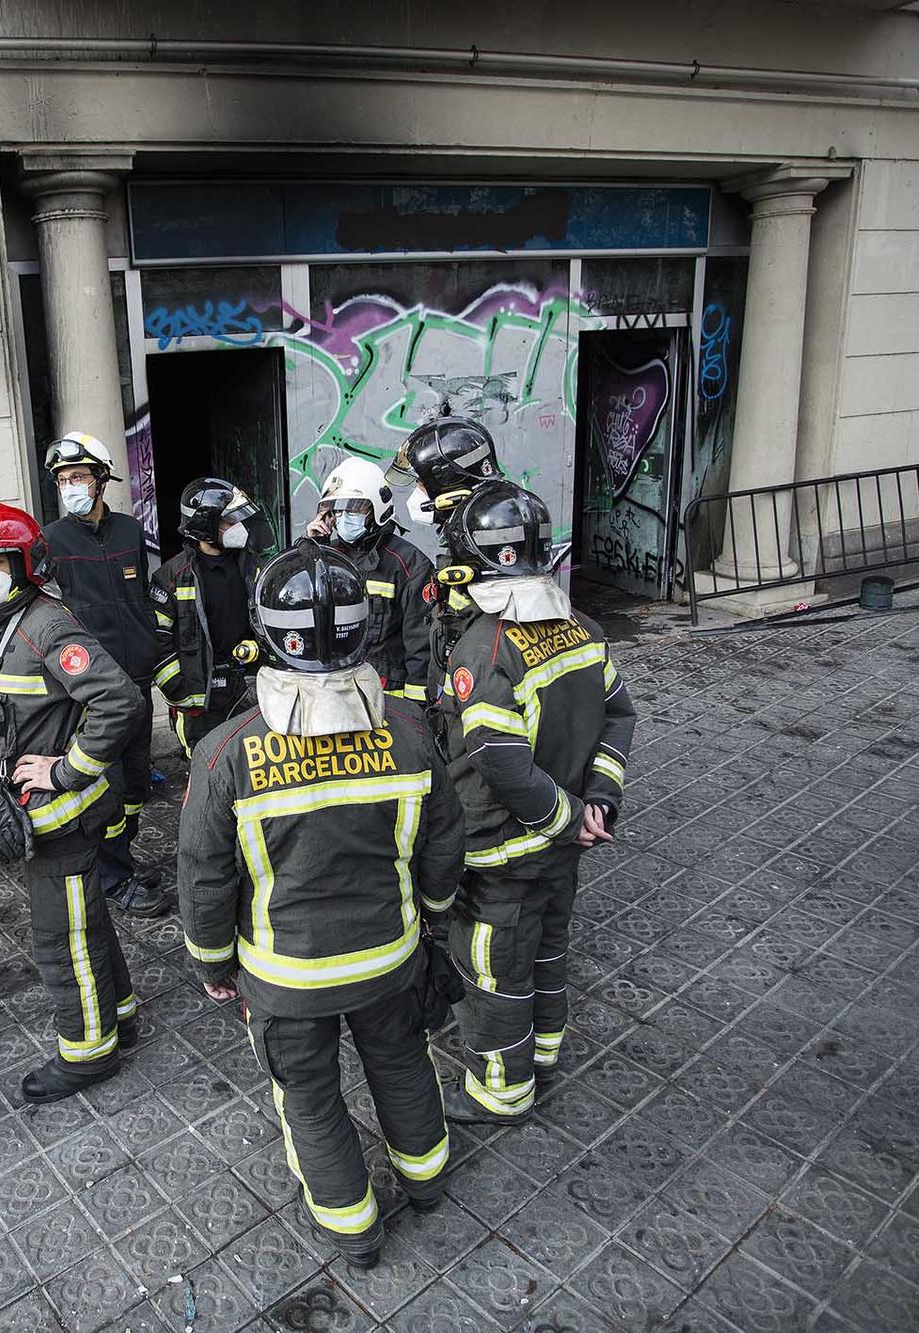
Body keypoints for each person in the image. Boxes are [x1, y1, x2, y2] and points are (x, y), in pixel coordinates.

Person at [178, 541, 463, 1268]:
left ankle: (354, 1230)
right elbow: (442, 845)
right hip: (391, 961)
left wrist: (213, 961)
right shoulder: (408, 730)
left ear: (267, 631)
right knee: (402, 1064)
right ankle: (429, 1184)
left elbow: (206, 877)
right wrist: (431, 912)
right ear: (364, 627)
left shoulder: (224, 752)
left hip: (285, 979)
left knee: (308, 1098)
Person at [433, 481, 636, 1123]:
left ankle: (502, 1089)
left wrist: (565, 818)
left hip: (504, 853)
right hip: (567, 846)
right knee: (549, 948)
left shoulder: (486, 650)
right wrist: (596, 804)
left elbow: (499, 759)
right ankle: (544, 1052)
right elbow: (617, 715)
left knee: (495, 972)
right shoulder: (583, 628)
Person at [0, 502, 145, 1102]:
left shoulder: (45, 626)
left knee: (61, 938)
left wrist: (65, 771)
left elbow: (120, 702)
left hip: (62, 816)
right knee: (84, 918)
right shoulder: (8, 627)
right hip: (43, 812)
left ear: (26, 564)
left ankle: (88, 1052)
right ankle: (119, 1011)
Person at [39, 432, 170, 918]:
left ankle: (122, 859)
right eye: (62, 479)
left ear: (100, 480)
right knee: (108, 785)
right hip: (92, 692)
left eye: (78, 476)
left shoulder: (130, 532)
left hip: (136, 678)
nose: (70, 486)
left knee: (136, 783)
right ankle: (113, 878)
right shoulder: (50, 540)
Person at [384, 415, 507, 697]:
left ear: (446, 483)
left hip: (483, 686)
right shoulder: (467, 530)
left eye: (421, 485)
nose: (415, 494)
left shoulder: (489, 534)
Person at [305, 456, 436, 704]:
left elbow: (421, 649)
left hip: (387, 701)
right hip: (331, 697)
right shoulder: (323, 557)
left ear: (378, 508)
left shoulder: (408, 564)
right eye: (337, 510)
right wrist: (310, 549)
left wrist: (416, 713)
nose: (344, 518)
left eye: (354, 509)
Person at [153, 478, 263, 755]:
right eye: (229, 521)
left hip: (251, 687)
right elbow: (156, 639)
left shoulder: (254, 566)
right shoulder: (172, 577)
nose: (238, 527)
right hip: (203, 698)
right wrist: (180, 692)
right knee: (209, 767)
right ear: (203, 527)